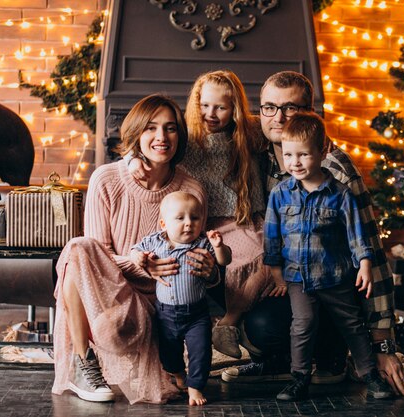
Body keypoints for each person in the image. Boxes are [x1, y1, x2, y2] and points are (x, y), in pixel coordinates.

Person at [222, 71, 404, 397]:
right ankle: (289, 364)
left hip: (334, 281)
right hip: (294, 278)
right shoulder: (261, 152)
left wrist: (384, 343)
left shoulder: (335, 170)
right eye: (269, 107)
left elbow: (370, 249)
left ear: (310, 114)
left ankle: (333, 356)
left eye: (290, 109)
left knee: (300, 322)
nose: (278, 118)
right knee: (259, 324)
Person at [51, 94, 216, 404]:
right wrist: (138, 262)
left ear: (179, 136)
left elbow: (196, 252)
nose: (161, 137)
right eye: (150, 128)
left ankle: (167, 361)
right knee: (78, 248)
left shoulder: (191, 190)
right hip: (113, 288)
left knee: (116, 327)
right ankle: (83, 361)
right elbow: (95, 257)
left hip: (165, 302)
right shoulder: (106, 179)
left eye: (170, 128)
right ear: (135, 134)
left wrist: (211, 270)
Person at [127, 70, 270, 359]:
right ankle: (230, 321)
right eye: (205, 105)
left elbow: (286, 130)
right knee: (247, 256)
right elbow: (151, 147)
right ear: (196, 104)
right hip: (207, 223)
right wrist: (132, 160)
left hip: (246, 218)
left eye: (221, 107)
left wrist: (322, 143)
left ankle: (229, 321)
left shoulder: (248, 134)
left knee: (272, 253)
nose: (211, 113)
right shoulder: (187, 139)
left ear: (236, 109)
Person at [264, 112, 394, 401]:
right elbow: (272, 234)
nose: (294, 162)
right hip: (298, 277)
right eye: (288, 155)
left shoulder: (341, 194)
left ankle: (369, 375)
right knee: (303, 324)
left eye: (303, 155)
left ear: (323, 152)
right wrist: (274, 269)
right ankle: (299, 377)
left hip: (336, 275)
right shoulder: (281, 194)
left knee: (352, 324)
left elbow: (356, 234)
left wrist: (364, 264)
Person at [130, 191, 232, 406]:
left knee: (201, 351)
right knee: (168, 353)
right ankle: (178, 375)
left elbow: (224, 261)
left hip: (197, 314)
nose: (189, 224)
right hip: (166, 312)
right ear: (163, 223)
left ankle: (195, 387)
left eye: (195, 218)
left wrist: (219, 246)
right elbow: (134, 250)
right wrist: (137, 257)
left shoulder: (203, 244)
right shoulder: (155, 241)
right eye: (180, 218)